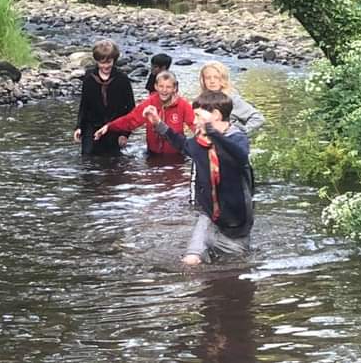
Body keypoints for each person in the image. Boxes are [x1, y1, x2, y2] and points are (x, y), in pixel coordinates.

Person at [143, 90, 254, 265]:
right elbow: (183, 145)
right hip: (209, 216)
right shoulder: (199, 142)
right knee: (191, 260)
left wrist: (212, 131)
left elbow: (239, 155)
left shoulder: (236, 138)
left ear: (215, 116)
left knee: (236, 270)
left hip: (236, 221)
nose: (193, 121)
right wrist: (158, 123)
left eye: (198, 116)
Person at [94, 71, 194, 155]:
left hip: (176, 154)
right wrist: (109, 126)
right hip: (153, 153)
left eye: (168, 87)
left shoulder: (182, 105)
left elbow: (194, 123)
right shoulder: (149, 103)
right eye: (161, 86)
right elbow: (131, 120)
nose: (164, 90)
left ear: (175, 88)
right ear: (155, 86)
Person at [74, 39, 135, 155]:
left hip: (114, 126)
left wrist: (125, 134)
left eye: (109, 62)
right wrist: (79, 127)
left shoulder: (122, 79)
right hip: (91, 125)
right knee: (88, 158)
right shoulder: (89, 77)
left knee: (113, 161)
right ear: (96, 61)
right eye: (102, 63)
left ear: (114, 60)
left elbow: (131, 108)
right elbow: (84, 104)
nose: (105, 66)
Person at [199, 61, 264, 135]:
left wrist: (243, 132)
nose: (212, 81)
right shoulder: (200, 101)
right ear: (203, 81)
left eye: (216, 77)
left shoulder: (232, 100)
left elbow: (258, 118)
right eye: (208, 78)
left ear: (223, 79)